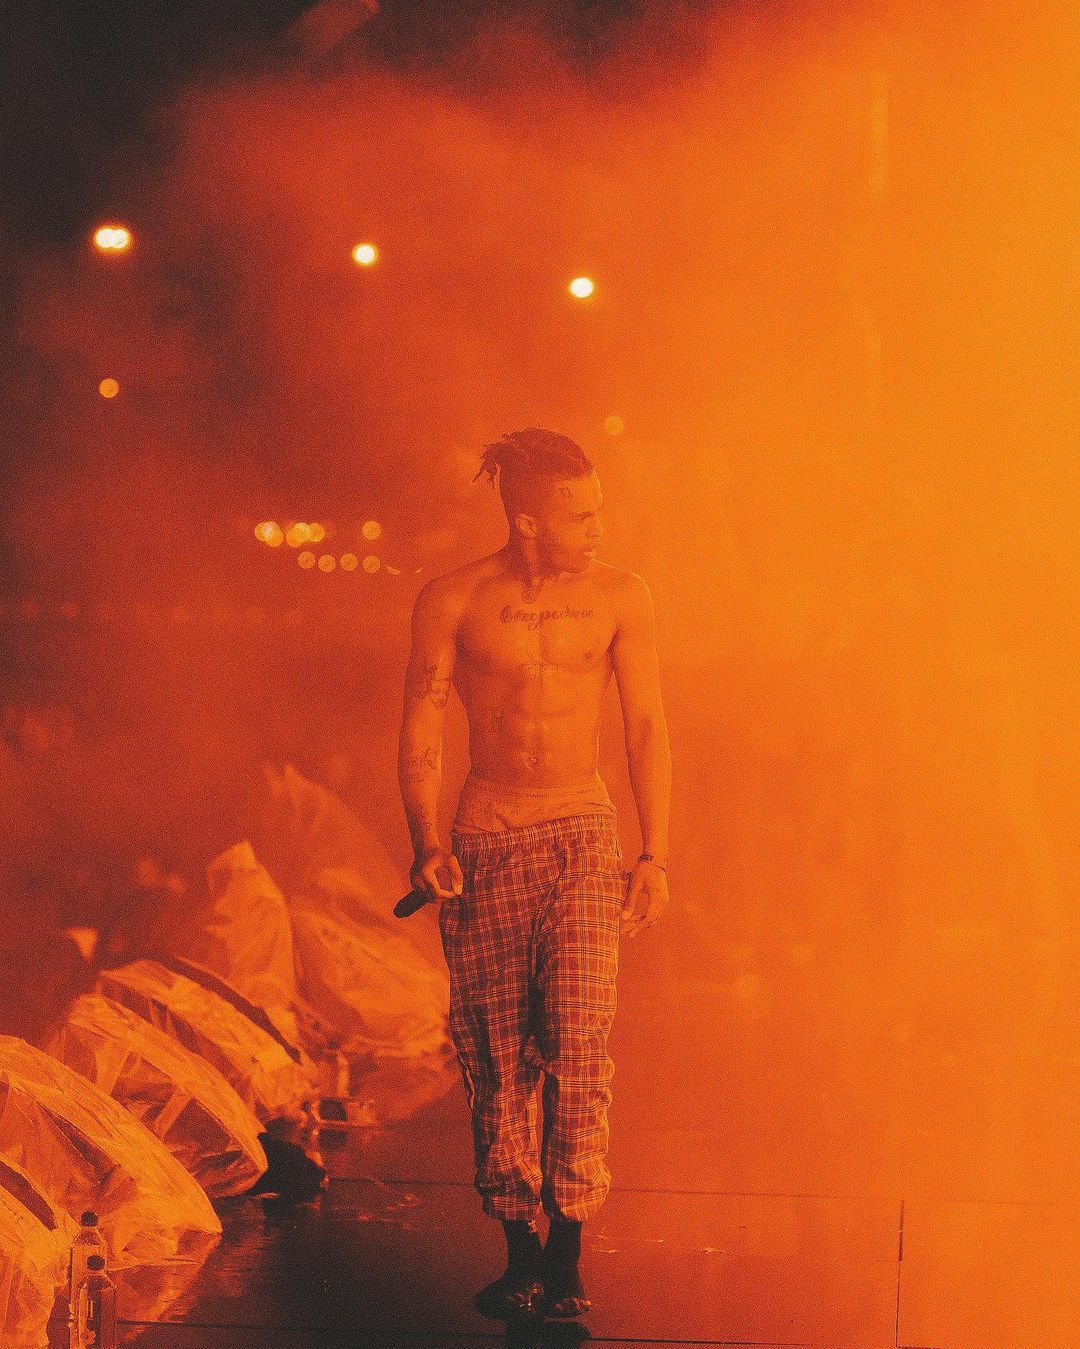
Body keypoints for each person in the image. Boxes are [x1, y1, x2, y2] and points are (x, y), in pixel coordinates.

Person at [398, 427, 671, 1320]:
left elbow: (646, 724)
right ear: (527, 523)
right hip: (487, 833)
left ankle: (569, 1246)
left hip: (582, 829)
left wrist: (654, 852)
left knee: (582, 1035)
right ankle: (520, 1247)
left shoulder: (620, 595)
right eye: (579, 516)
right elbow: (424, 719)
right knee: (495, 1051)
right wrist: (426, 841)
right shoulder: (454, 599)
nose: (597, 529)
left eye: (598, 512)